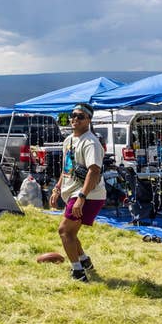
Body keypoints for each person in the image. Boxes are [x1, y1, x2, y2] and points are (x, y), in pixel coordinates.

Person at [48, 103, 107, 282]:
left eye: (80, 116)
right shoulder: (69, 140)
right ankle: (84, 261)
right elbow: (67, 168)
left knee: (64, 231)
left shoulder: (91, 143)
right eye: (72, 115)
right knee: (71, 233)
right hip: (73, 192)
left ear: (88, 120)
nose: (74, 119)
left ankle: (78, 272)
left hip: (88, 195)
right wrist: (57, 188)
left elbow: (94, 171)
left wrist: (81, 197)